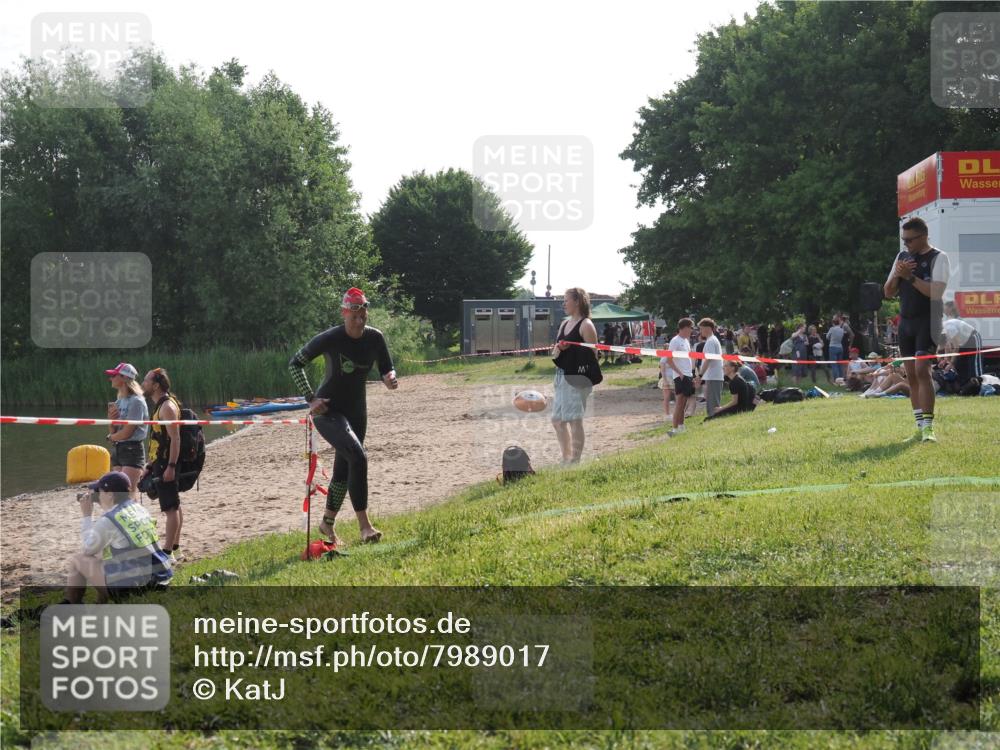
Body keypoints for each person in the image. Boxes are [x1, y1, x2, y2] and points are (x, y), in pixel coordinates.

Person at [289, 287, 397, 545]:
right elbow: (295, 363)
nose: (359, 322)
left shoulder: (375, 338)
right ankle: (365, 527)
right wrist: (311, 398)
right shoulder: (330, 338)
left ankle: (327, 523)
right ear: (344, 313)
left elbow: (386, 367)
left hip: (357, 411)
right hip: (329, 411)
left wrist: (389, 377)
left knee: (344, 467)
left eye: (363, 316)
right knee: (358, 456)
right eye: (354, 317)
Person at [884, 216, 950, 442]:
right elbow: (888, 292)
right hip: (907, 322)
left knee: (923, 371)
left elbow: (936, 293)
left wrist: (910, 277)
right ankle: (919, 425)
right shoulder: (902, 257)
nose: (906, 245)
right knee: (911, 374)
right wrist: (897, 275)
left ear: (923, 237)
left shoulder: (939, 258)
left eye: (910, 240)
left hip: (928, 321)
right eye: (904, 240)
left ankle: (929, 428)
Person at [63, 471, 172, 604]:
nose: (98, 494)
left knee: (77, 560)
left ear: (110, 494)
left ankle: (70, 606)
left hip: (137, 587)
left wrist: (87, 516)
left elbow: (87, 549)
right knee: (106, 555)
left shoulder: (109, 520)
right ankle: (100, 603)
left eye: (100, 491)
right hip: (161, 578)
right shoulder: (139, 509)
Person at [550, 287, 600, 464]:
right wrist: (559, 349)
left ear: (577, 301)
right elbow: (554, 352)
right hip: (561, 375)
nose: (563, 303)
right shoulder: (564, 324)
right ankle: (566, 459)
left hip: (577, 378)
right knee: (557, 420)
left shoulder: (586, 325)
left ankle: (575, 461)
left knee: (574, 420)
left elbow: (593, 356)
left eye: (566, 300)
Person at [140, 368, 184, 562]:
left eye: (146, 381)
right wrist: (150, 465)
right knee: (174, 505)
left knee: (170, 509)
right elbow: (159, 438)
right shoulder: (160, 405)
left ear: (156, 385)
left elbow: (175, 439)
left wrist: (171, 467)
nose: (143, 384)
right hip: (160, 462)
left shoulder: (167, 407)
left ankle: (166, 554)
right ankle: (175, 549)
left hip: (167, 463)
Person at [104, 362, 148, 498]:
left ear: (123, 378)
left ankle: (138, 519)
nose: (110, 379)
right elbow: (114, 431)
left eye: (113, 375)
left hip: (132, 450)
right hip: (118, 449)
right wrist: (111, 421)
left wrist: (110, 438)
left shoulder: (136, 401)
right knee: (119, 496)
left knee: (127, 496)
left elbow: (128, 432)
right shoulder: (119, 401)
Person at [941, 302, 984, 390]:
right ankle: (967, 387)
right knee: (961, 363)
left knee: (975, 364)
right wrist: (946, 359)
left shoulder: (949, 326)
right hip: (963, 342)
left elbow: (956, 346)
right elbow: (947, 345)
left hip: (973, 338)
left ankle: (981, 386)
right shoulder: (944, 329)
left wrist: (951, 363)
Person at [666, 318, 697, 437]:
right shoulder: (675, 340)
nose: (692, 330)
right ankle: (674, 429)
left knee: (684, 403)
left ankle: (681, 426)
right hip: (681, 376)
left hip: (687, 375)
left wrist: (691, 374)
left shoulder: (686, 341)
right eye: (691, 328)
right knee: (679, 403)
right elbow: (669, 359)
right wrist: (680, 373)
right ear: (685, 328)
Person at [698, 318, 724, 417]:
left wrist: (700, 374)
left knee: (713, 403)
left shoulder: (711, 341)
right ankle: (712, 418)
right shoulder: (711, 340)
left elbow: (708, 359)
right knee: (711, 401)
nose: (700, 331)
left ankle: (713, 419)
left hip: (713, 376)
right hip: (713, 375)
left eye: (701, 329)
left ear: (708, 328)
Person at [826, 316, 847, 381]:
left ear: (833, 323)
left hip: (833, 347)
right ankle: (841, 379)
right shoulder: (842, 330)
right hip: (840, 347)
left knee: (834, 364)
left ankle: (836, 379)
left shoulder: (832, 329)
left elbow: (827, 337)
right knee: (840, 364)